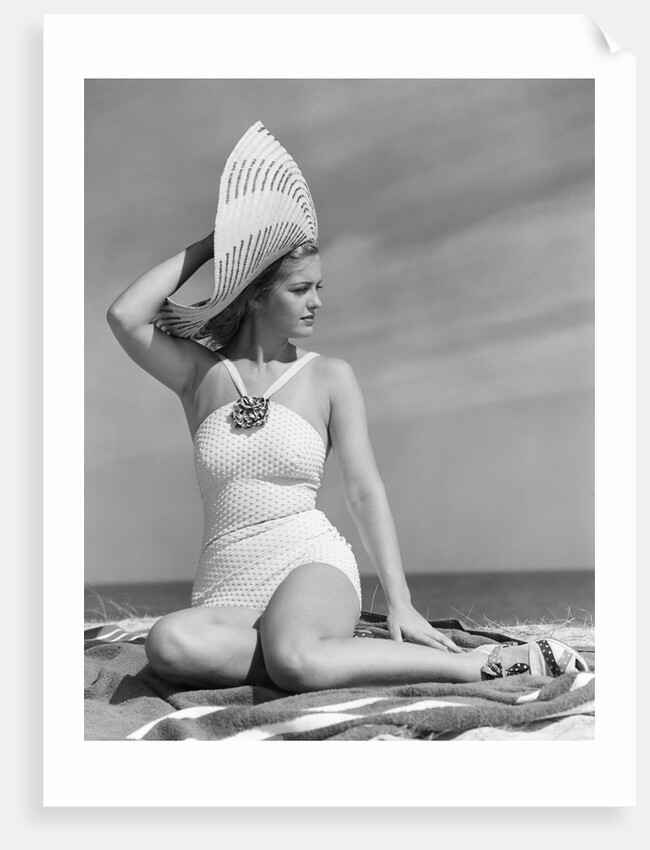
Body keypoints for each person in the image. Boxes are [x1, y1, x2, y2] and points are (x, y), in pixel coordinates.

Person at [106, 122, 587, 692]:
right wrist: (222, 242)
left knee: (294, 659)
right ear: (257, 295)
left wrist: (401, 603)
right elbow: (125, 316)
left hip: (309, 565)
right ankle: (325, 654)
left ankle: (469, 668)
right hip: (226, 587)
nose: (316, 302)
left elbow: (364, 490)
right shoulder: (201, 375)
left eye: (319, 287)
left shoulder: (330, 377)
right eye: (299, 289)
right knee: (169, 644)